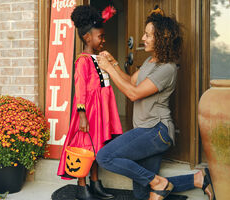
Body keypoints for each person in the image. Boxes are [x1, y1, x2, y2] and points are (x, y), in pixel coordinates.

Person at [96, 7, 215, 200]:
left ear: (161, 39)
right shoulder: (151, 61)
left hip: (156, 131)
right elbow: (131, 82)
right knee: (142, 193)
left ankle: (160, 182)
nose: (143, 38)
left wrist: (108, 69)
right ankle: (198, 179)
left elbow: (133, 94)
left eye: (148, 35)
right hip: (146, 131)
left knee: (104, 157)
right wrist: (114, 64)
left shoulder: (167, 69)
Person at [57, 5, 123, 200]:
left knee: (97, 148)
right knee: (86, 148)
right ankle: (81, 185)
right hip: (89, 113)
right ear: (87, 38)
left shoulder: (98, 58)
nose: (103, 40)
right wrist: (82, 115)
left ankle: (95, 183)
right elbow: (80, 90)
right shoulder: (82, 61)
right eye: (100, 37)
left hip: (101, 111)